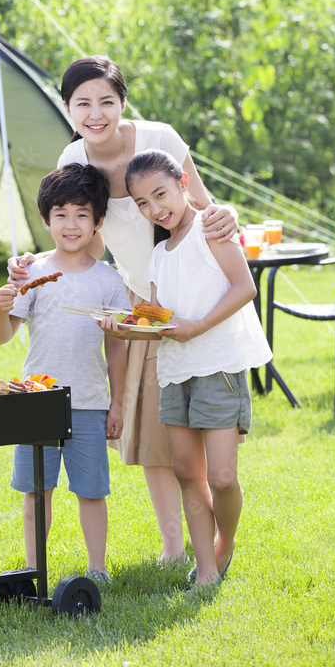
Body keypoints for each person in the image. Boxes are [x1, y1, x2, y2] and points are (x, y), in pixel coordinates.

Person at [8, 56, 238, 564]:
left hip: (189, 291)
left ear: (123, 103)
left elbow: (201, 203)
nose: (96, 113)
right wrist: (36, 264)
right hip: (139, 301)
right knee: (150, 428)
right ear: (67, 108)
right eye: (82, 104)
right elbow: (77, 233)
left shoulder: (161, 138)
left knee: (188, 427)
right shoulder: (75, 156)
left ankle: (216, 540)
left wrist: (227, 215)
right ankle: (175, 547)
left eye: (106, 101)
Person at [103, 149, 271, 584]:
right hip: (175, 371)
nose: (155, 209)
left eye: (160, 194)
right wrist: (126, 327)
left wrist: (197, 326)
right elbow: (159, 317)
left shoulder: (210, 228)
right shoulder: (158, 255)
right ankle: (206, 571)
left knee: (222, 475)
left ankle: (225, 543)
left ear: (182, 184)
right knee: (185, 472)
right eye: (143, 203)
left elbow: (244, 288)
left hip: (218, 366)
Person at [0, 163, 129, 584]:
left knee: (92, 490)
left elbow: (118, 346)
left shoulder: (109, 281)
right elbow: (3, 336)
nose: (71, 224)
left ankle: (98, 568)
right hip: (36, 401)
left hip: (89, 401)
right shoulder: (30, 273)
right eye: (62, 213)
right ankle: (34, 568)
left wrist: (117, 403)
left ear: (98, 221)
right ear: (46, 219)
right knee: (36, 491)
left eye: (82, 214)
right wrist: (0, 308)